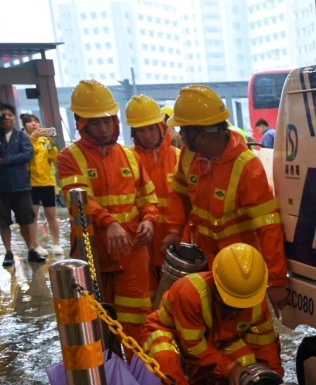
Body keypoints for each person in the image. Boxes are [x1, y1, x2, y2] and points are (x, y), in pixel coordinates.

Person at [164, 85, 287, 317]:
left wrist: (276, 280)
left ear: (201, 135)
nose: (180, 136)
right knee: (207, 321)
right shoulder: (190, 156)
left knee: (248, 323)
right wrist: (173, 229)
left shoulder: (247, 167)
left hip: (241, 267)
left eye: (183, 130)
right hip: (205, 260)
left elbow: (268, 225)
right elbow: (180, 194)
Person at [57, 80, 159, 347]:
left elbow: (147, 197)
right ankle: (105, 371)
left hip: (133, 253)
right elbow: (77, 199)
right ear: (82, 124)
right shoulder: (69, 157)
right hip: (93, 253)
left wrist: (149, 219)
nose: (103, 129)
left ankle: (138, 371)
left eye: (106, 121)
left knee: (137, 320)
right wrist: (109, 222)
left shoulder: (130, 156)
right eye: (95, 123)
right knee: (95, 324)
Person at [141, 243, 282, 385]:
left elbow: (265, 346)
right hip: (173, 336)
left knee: (246, 360)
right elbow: (193, 349)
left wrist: (275, 381)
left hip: (213, 341)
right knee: (164, 358)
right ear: (216, 284)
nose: (235, 311)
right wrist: (230, 368)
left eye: (241, 307)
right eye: (230, 305)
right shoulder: (189, 293)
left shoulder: (254, 301)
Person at [125, 94, 182, 290]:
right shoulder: (129, 160)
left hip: (176, 240)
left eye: (151, 128)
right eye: (141, 130)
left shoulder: (179, 158)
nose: (147, 135)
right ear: (134, 132)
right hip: (144, 240)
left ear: (161, 127)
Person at [0, 103, 45, 267]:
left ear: (14, 118)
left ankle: (31, 249)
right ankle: (8, 252)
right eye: (3, 115)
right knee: (3, 222)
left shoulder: (21, 136)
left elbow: (27, 155)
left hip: (20, 185)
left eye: (10, 115)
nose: (7, 118)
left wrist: (3, 161)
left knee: (26, 220)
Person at [20, 113, 62, 257]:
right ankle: (35, 244)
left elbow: (54, 158)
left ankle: (56, 243)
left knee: (51, 214)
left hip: (47, 181)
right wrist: (33, 138)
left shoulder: (45, 140)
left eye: (36, 121)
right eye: (30, 122)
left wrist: (52, 145)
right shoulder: (23, 139)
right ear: (24, 125)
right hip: (31, 182)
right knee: (33, 215)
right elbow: (27, 155)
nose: (34, 124)